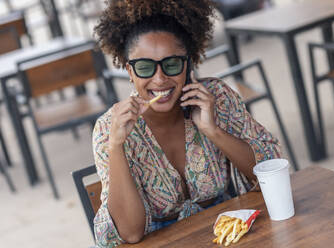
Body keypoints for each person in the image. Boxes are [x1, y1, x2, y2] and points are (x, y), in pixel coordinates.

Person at [92, 0, 281, 246]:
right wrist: (116, 146)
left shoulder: (218, 98)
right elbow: (131, 234)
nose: (159, 79)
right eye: (145, 67)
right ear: (129, 71)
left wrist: (212, 130)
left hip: (230, 236)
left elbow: (271, 176)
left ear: (187, 63)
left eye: (171, 64)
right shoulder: (109, 128)